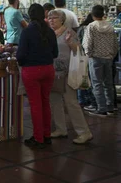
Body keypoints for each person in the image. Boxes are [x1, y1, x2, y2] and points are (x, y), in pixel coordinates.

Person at [47, 9, 93, 144]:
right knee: (55, 102)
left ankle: (84, 132)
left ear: (62, 20)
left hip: (67, 73)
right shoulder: (50, 33)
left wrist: (70, 43)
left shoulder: (69, 32)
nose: (51, 20)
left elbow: (78, 50)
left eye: (54, 18)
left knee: (71, 102)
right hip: (54, 73)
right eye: (49, 18)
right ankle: (61, 128)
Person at [17, 4, 59, 149]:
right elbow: (55, 54)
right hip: (48, 69)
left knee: (35, 104)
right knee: (45, 102)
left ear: (30, 15)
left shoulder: (27, 31)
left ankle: (38, 138)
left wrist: (24, 62)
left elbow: (20, 55)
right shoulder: (50, 32)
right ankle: (47, 135)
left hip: (31, 71)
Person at [83, 5, 119, 116]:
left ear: (93, 15)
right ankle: (110, 107)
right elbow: (115, 43)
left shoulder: (91, 26)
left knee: (97, 83)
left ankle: (101, 109)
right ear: (103, 14)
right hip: (108, 58)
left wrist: (88, 54)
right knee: (108, 83)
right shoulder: (110, 26)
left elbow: (87, 43)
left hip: (95, 58)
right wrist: (112, 55)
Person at [77, 14, 97, 109]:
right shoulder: (90, 28)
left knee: (83, 78)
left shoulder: (83, 28)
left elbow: (79, 41)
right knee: (88, 79)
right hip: (89, 56)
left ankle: (82, 100)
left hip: (82, 56)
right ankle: (89, 100)